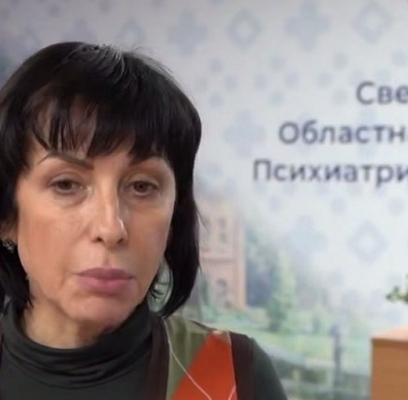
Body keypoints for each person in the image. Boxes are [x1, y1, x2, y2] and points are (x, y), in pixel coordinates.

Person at [0, 41, 288, 400]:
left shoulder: (233, 377)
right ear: (7, 214)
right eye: (66, 184)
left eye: (141, 186)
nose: (111, 228)